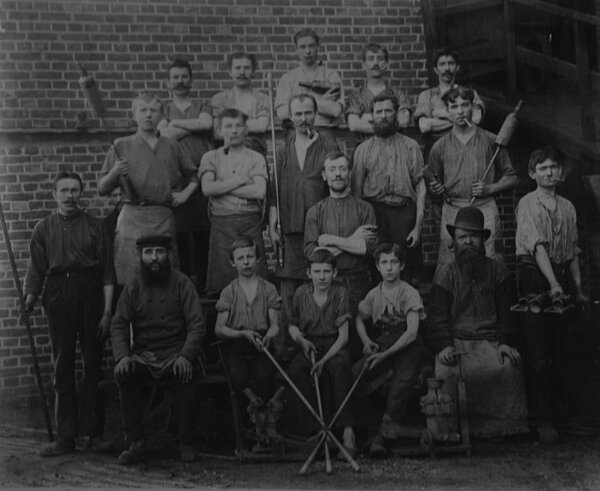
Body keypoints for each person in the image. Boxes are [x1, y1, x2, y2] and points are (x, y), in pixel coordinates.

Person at [23, 172, 115, 457]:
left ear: (82, 193)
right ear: (54, 194)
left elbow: (108, 273)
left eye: (75, 190)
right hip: (59, 293)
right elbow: (36, 270)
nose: (70, 195)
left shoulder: (95, 226)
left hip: (90, 294)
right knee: (62, 365)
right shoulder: (43, 228)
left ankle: (94, 434)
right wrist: (28, 301)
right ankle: (66, 437)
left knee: (93, 365)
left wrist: (107, 312)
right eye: (64, 190)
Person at [427, 207, 528, 439]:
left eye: (474, 236)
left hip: (491, 342)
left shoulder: (499, 272)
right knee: (446, 373)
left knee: (509, 368)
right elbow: (437, 318)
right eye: (463, 237)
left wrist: (505, 342)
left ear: (483, 240)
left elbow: (509, 314)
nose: (469, 242)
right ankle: (452, 433)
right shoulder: (445, 275)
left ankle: (504, 430)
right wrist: (443, 345)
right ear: (454, 241)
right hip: (457, 342)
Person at [516, 147, 590, 444]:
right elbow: (538, 248)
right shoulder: (527, 204)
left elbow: (571, 251)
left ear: (560, 172)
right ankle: (541, 421)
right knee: (537, 350)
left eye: (553, 167)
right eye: (542, 168)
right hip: (534, 275)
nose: (549, 172)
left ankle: (565, 418)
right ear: (532, 174)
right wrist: (552, 286)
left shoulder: (568, 207)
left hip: (560, 274)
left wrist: (578, 289)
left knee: (565, 349)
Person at [110, 235, 205, 464]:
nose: (154, 258)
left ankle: (185, 442)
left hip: (176, 352)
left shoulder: (182, 283)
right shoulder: (133, 286)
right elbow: (119, 324)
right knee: (125, 375)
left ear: (168, 255)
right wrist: (122, 356)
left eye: (159, 252)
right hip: (145, 355)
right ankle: (136, 442)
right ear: (140, 256)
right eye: (148, 252)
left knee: (188, 373)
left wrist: (185, 355)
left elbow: (197, 324)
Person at [98, 92, 199, 287]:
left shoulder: (172, 145)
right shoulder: (121, 145)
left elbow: (194, 175)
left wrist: (185, 194)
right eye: (142, 110)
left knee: (165, 272)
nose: (148, 115)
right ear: (134, 115)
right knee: (130, 274)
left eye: (153, 110)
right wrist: (115, 172)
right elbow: (102, 188)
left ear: (161, 115)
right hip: (132, 217)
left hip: (163, 216)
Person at [268, 93, 339, 355]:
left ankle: (324, 343)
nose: (303, 118)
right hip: (289, 229)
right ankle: (287, 349)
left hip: (320, 230)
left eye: (308, 113)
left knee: (321, 285)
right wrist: (273, 219)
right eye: (297, 113)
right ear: (290, 116)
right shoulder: (283, 147)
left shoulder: (327, 145)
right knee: (289, 289)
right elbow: (273, 187)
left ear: (315, 113)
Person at [427, 85, 518, 279]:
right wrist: (435, 188)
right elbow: (433, 188)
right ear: (447, 110)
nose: (460, 111)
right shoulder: (439, 147)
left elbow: (512, 177)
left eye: (464, 105)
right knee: (447, 267)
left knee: (493, 260)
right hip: (453, 210)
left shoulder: (492, 140)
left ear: (473, 107)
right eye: (454, 106)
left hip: (484, 207)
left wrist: (490, 188)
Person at [354, 243, 425, 457]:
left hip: (409, 348)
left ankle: (382, 438)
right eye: (384, 263)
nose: (389, 268)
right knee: (355, 376)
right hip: (384, 343)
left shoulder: (409, 293)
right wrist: (366, 341)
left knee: (399, 386)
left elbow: (412, 332)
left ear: (402, 265)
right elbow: (359, 317)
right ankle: (370, 429)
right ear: (377, 266)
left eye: (394, 262)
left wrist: (384, 355)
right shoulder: (374, 295)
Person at [286, 249, 356, 456]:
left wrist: (324, 361)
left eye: (327, 271)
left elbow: (343, 337)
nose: (322, 277)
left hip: (335, 345)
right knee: (297, 370)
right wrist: (300, 339)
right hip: (310, 344)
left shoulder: (340, 293)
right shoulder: (301, 294)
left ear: (334, 273)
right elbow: (292, 326)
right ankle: (316, 432)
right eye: (317, 271)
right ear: (309, 273)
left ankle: (348, 433)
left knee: (339, 368)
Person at [352, 93, 426, 284]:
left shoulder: (411, 147)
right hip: (376, 216)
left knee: (407, 272)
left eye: (388, 111)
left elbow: (421, 187)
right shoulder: (362, 150)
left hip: (405, 215)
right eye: (378, 112)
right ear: (372, 115)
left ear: (395, 114)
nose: (383, 115)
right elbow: (357, 193)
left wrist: (417, 227)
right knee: (379, 272)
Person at [157, 59, 214, 289]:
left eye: (184, 76)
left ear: (191, 79)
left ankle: (205, 291)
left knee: (203, 238)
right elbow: (163, 133)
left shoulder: (203, 104)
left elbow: (206, 124)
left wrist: (177, 124)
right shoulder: (163, 109)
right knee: (179, 239)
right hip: (177, 183)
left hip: (202, 179)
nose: (180, 81)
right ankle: (184, 291)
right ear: (168, 82)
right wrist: (192, 125)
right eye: (175, 77)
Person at [199, 108, 268, 295]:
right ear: (220, 130)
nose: (234, 130)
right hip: (222, 226)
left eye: (239, 126)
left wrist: (222, 187)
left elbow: (259, 191)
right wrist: (239, 180)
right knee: (221, 289)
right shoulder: (211, 157)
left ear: (246, 129)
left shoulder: (256, 158)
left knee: (256, 285)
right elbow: (207, 189)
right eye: (228, 126)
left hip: (250, 224)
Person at [304, 151, 378, 316]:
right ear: (324, 175)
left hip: (360, 282)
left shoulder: (365, 208)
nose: (337, 174)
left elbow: (371, 249)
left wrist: (330, 241)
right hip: (327, 284)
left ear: (350, 173)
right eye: (332, 169)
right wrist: (353, 240)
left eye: (342, 169)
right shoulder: (315, 212)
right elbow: (311, 255)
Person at [214, 238, 280, 419]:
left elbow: (275, 326)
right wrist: (242, 333)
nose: (246, 262)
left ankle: (265, 425)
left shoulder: (269, 289)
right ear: (232, 262)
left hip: (261, 345)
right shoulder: (229, 292)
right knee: (238, 378)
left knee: (265, 375)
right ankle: (244, 428)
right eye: (240, 258)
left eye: (250, 256)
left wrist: (268, 337)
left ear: (258, 259)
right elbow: (219, 329)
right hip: (235, 346)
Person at [413, 47, 485, 154]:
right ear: (435, 69)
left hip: (465, 147)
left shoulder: (470, 93)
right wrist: (462, 119)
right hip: (436, 149)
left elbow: (476, 119)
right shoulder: (426, 96)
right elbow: (425, 126)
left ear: (457, 67)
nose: (447, 68)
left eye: (451, 63)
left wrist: (444, 115)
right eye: (442, 64)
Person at [275, 28, 344, 133]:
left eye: (311, 46)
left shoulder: (331, 76)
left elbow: (336, 111)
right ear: (296, 49)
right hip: (295, 134)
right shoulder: (287, 79)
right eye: (303, 47)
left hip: (325, 133)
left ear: (318, 47)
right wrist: (321, 101)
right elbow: (282, 113)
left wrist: (299, 107)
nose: (307, 51)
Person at [346, 43, 411, 147]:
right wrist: (389, 121)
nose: (375, 63)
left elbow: (403, 121)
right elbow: (354, 125)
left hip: (393, 149)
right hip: (365, 150)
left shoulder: (397, 93)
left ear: (386, 64)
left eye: (380, 58)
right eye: (371, 59)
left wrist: (364, 117)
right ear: (363, 64)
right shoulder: (356, 95)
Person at [211, 52, 270, 156]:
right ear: (230, 72)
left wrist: (229, 127)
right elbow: (217, 132)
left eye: (246, 68)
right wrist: (250, 126)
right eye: (237, 68)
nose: (242, 72)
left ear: (253, 72)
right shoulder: (220, 99)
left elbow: (262, 126)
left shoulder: (262, 99)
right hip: (226, 153)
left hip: (255, 152)